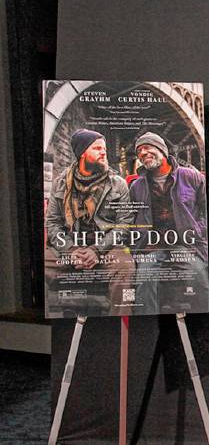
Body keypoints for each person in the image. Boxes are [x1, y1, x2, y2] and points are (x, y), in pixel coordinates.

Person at [45, 128, 135, 317]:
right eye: (97, 148)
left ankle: (120, 327)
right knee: (39, 262)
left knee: (125, 266)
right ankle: (43, 328)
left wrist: (96, 250)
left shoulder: (118, 184)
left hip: (106, 248)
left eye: (104, 148)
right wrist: (70, 251)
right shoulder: (61, 183)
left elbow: (124, 225)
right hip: (70, 246)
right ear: (82, 154)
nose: (104, 152)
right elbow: (53, 223)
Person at [128, 131, 208, 313]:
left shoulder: (191, 177)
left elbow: (208, 208)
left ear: (162, 150)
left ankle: (202, 326)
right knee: (144, 281)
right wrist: (137, 244)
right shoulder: (136, 186)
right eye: (139, 151)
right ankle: (147, 327)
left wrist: (198, 230)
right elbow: (131, 219)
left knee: (199, 277)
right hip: (153, 247)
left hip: (186, 246)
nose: (142, 153)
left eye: (147, 147)